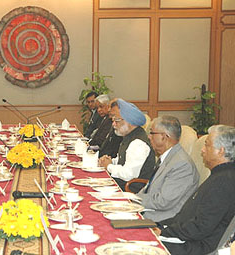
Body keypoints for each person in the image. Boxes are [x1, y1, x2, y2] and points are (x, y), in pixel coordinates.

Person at [153, 125, 235, 255]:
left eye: (207, 145)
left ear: (221, 151)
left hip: (196, 247)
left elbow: (201, 228)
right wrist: (160, 226)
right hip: (186, 237)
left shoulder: (223, 182)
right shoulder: (220, 175)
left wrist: (163, 232)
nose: (202, 150)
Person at [137, 115, 199, 222]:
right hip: (148, 211)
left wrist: (134, 199)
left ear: (164, 137)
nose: (149, 137)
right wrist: (132, 199)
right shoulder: (168, 157)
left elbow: (163, 201)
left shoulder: (182, 165)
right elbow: (149, 188)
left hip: (163, 221)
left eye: (152, 133)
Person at [99, 98, 155, 193]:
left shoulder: (138, 143)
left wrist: (109, 166)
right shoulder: (128, 136)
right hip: (120, 185)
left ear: (129, 121)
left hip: (130, 190)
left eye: (117, 120)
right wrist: (110, 161)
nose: (113, 124)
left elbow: (129, 174)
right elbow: (123, 160)